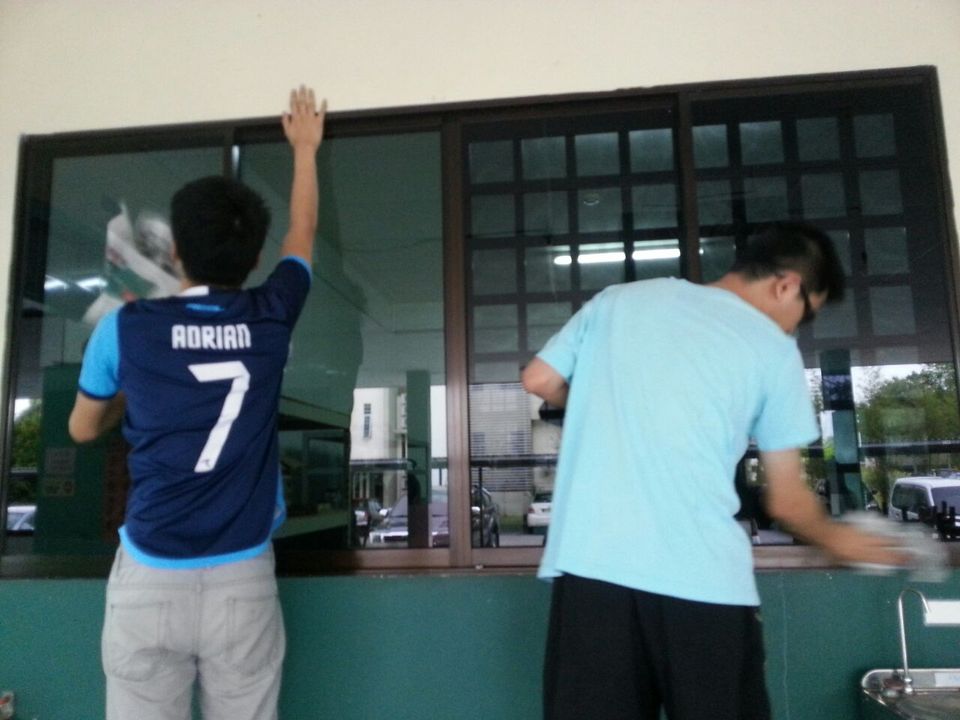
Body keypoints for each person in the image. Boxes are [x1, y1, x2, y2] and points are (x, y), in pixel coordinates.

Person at [521, 222, 910, 720]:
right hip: (701, 584)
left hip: (592, 575)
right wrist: (845, 541)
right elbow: (787, 501)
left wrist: (596, 405)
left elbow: (539, 378)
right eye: (807, 313)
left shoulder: (618, 301)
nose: (797, 327)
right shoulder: (771, 348)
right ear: (786, 285)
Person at [68, 85, 326, 720]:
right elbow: (303, 232)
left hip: (151, 570)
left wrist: (133, 392)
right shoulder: (271, 315)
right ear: (256, 257)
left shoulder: (126, 328)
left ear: (176, 250)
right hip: (243, 577)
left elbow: (81, 429)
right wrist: (305, 149)